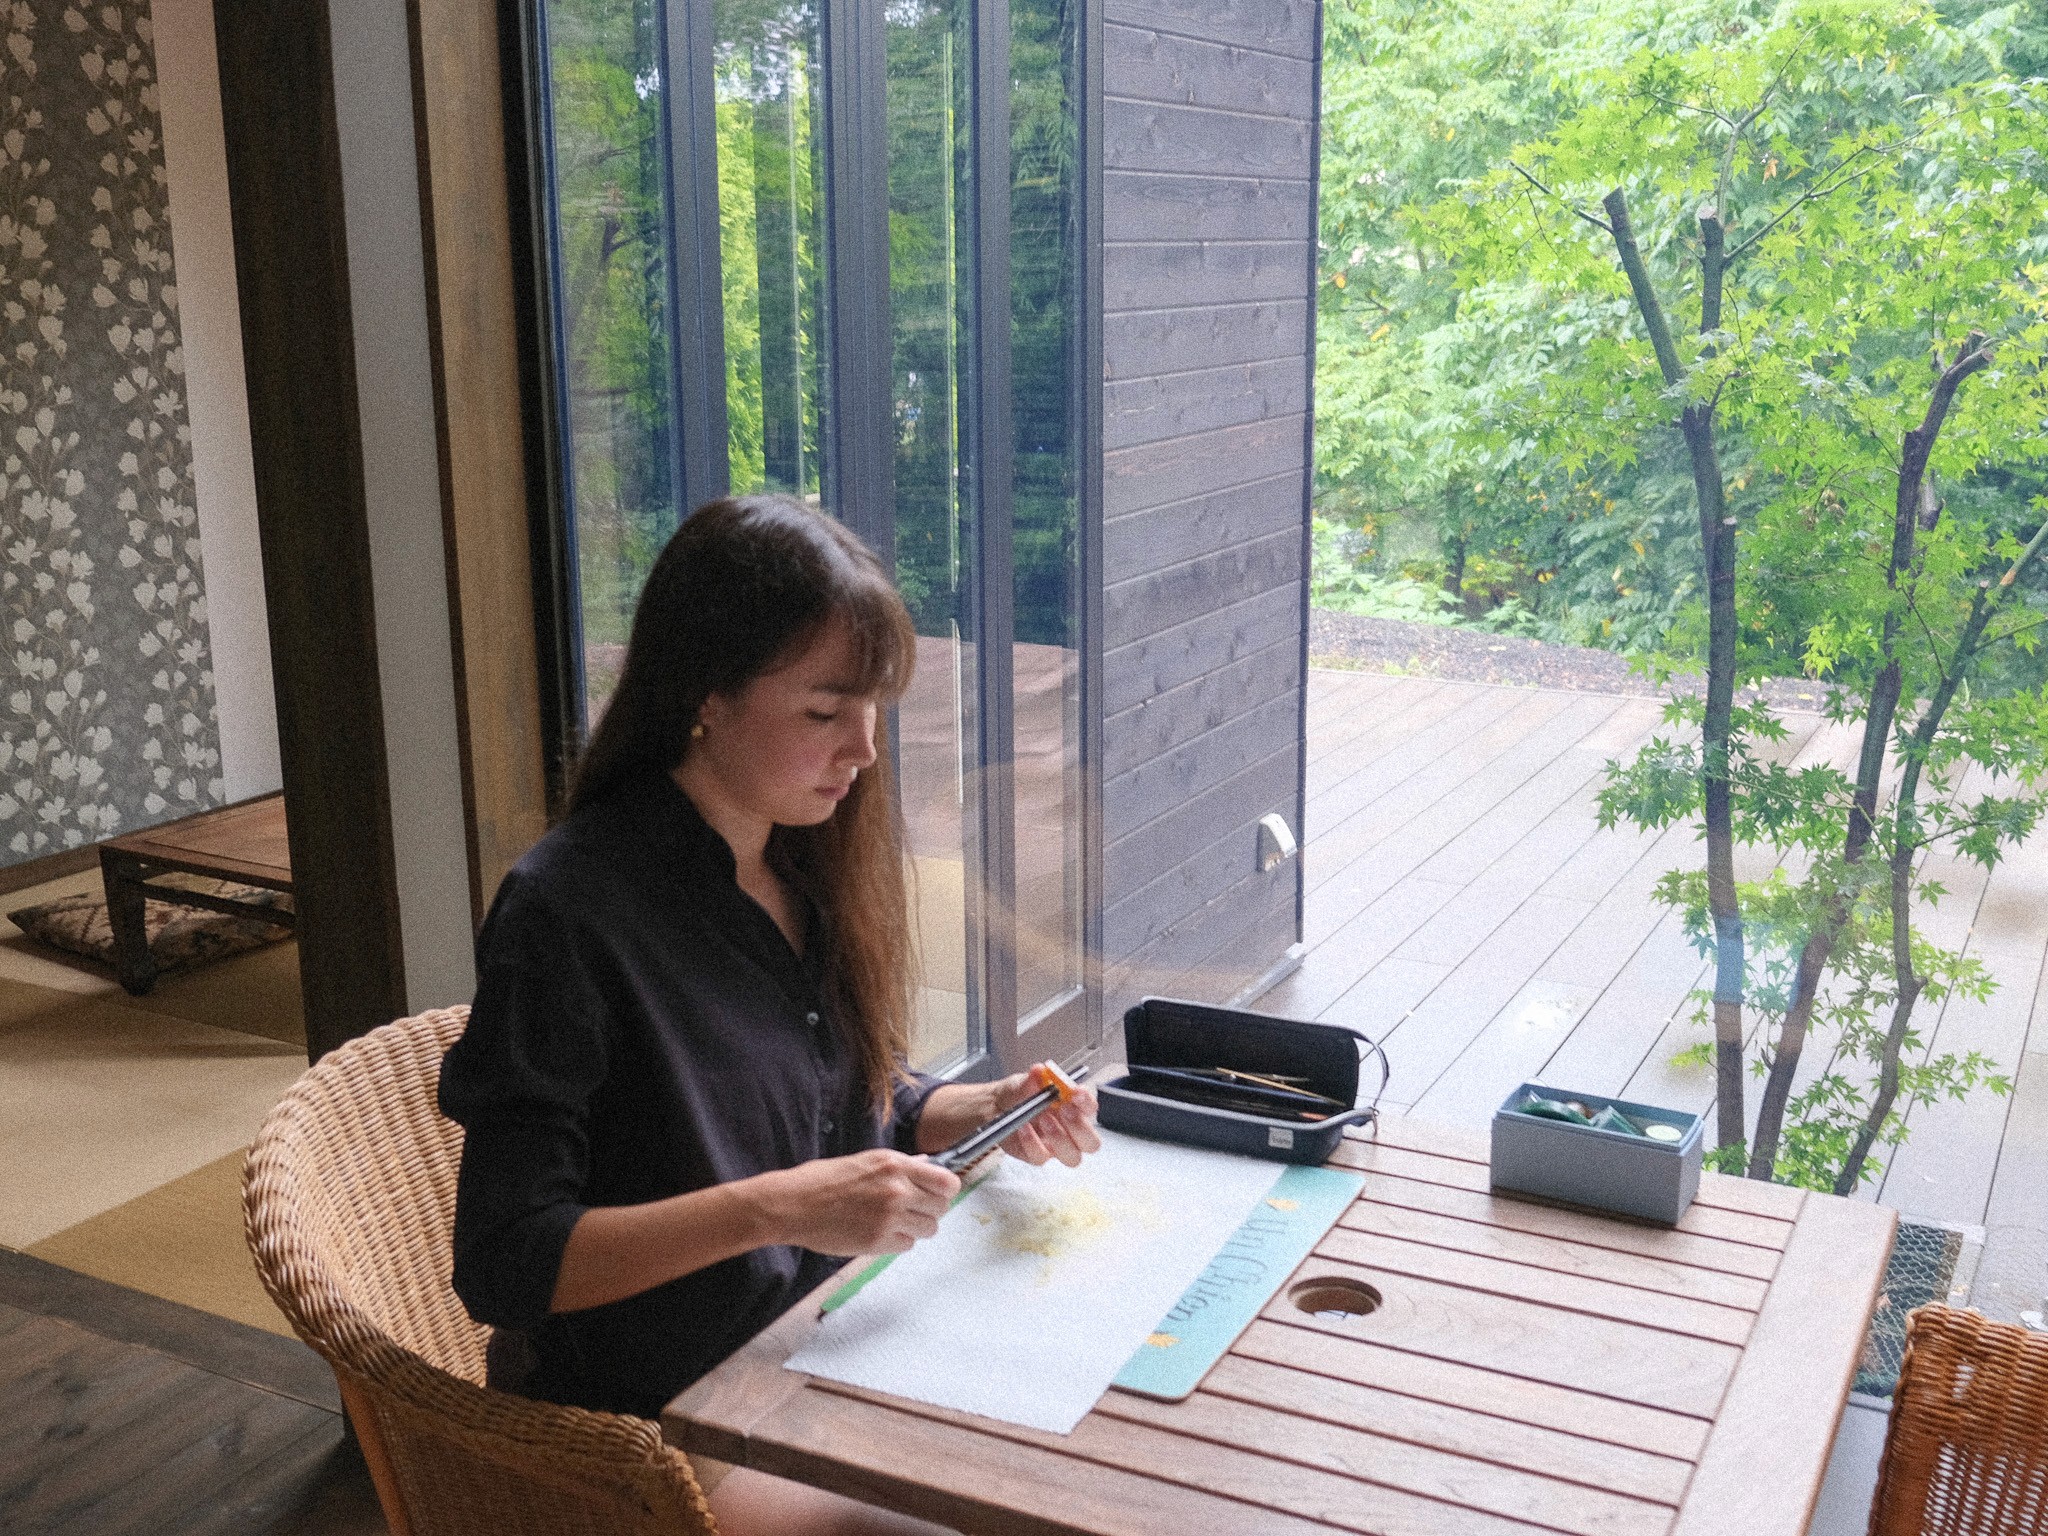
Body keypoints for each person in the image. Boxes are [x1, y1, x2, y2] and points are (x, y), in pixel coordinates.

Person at [438, 494, 1101, 1535]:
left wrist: (974, 1110)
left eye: (872, 708)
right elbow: (506, 1261)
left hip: (823, 1340)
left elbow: (830, 1103)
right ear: (706, 699)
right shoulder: (566, 912)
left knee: (1086, 1454)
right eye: (824, 713)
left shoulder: (798, 859)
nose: (865, 750)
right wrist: (778, 1209)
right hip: (663, 1419)